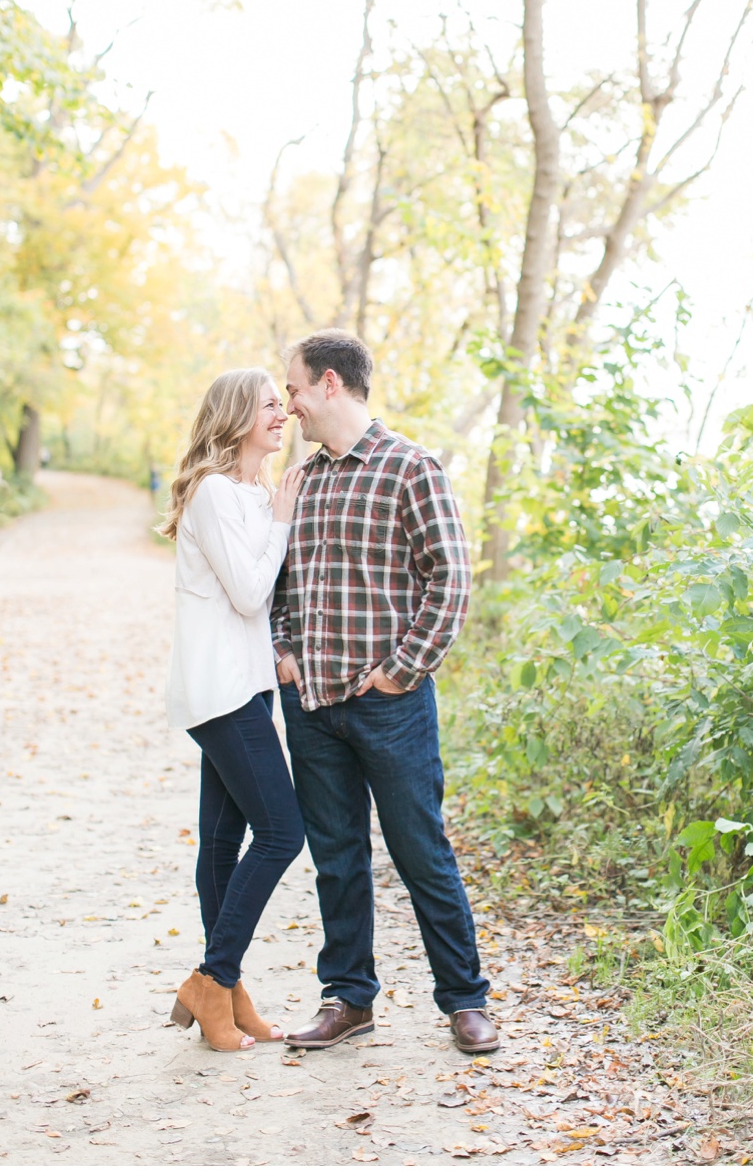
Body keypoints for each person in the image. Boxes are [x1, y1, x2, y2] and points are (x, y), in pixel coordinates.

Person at [268, 329, 499, 1054]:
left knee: (420, 850)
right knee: (336, 856)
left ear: (331, 383)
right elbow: (276, 574)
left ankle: (465, 999)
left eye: (296, 387)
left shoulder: (411, 468)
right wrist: (282, 646)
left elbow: (451, 580)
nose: (290, 402)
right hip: (311, 706)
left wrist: (402, 669)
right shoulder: (301, 478)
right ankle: (348, 997)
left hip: (389, 704)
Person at [160, 369, 308, 1051]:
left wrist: (274, 514)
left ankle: (229, 991)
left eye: (284, 402)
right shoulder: (215, 492)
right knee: (282, 831)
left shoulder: (247, 492)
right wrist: (281, 520)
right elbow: (250, 593)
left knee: (222, 841)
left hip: (241, 685)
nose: (283, 412)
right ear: (236, 416)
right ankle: (212, 978)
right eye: (271, 405)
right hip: (220, 689)